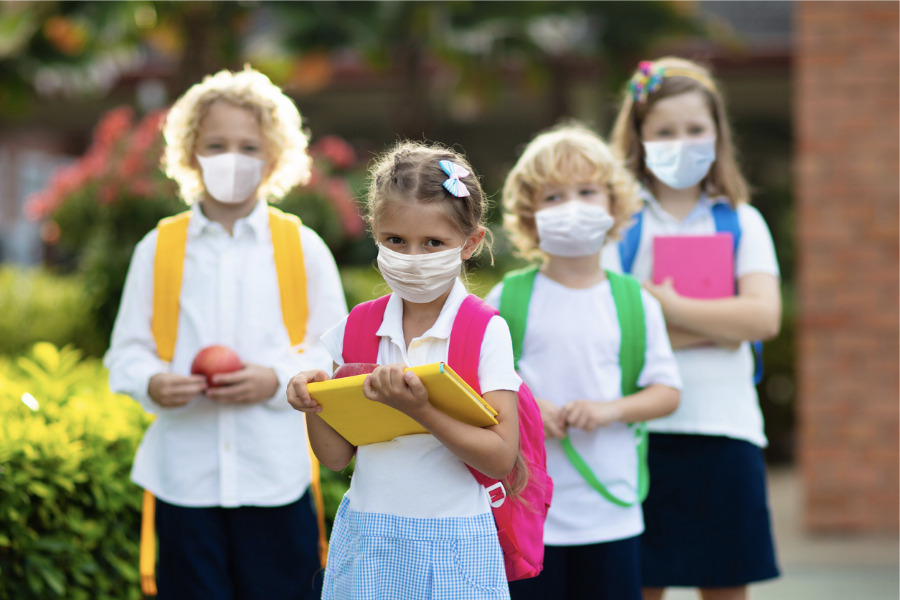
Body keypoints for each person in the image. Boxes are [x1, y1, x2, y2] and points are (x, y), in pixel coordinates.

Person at [104, 66, 347, 600]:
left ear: (275, 155)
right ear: (190, 153)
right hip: (184, 484)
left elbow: (335, 354)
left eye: (248, 146)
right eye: (216, 144)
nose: (232, 158)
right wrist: (151, 383)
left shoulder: (302, 248)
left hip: (276, 482)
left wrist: (276, 377)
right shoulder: (158, 248)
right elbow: (125, 352)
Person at [286, 141, 522, 600]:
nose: (412, 257)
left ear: (470, 243)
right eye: (396, 241)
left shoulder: (483, 332)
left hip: (455, 541)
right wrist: (314, 402)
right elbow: (336, 457)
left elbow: (499, 457)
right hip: (369, 539)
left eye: (433, 243)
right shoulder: (355, 328)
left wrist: (422, 410)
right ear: (374, 231)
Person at [604, 57, 782, 600]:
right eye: (665, 131)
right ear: (638, 137)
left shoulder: (742, 220)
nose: (681, 142)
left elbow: (762, 318)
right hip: (640, 436)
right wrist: (720, 324)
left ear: (717, 134)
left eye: (694, 129)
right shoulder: (617, 223)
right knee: (641, 584)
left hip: (727, 433)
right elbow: (613, 329)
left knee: (727, 586)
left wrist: (666, 306)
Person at [484, 122, 681, 600]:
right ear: (529, 216)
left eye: (587, 191)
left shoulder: (635, 301)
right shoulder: (505, 297)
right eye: (553, 197)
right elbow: (477, 386)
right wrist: (531, 408)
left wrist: (608, 410)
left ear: (615, 206)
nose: (571, 206)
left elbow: (667, 391)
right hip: (527, 514)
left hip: (611, 513)